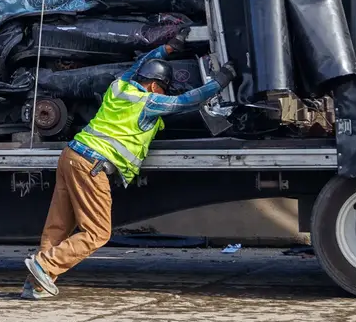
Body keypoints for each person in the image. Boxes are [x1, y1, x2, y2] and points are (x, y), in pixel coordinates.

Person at [20, 43, 237, 299]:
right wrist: (222, 80)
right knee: (97, 232)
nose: (163, 93)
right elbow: (187, 101)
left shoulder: (118, 88)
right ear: (155, 86)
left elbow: (139, 63)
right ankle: (44, 266)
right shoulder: (149, 102)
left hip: (71, 155)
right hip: (93, 164)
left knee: (59, 225)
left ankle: (35, 283)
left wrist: (167, 48)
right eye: (163, 88)